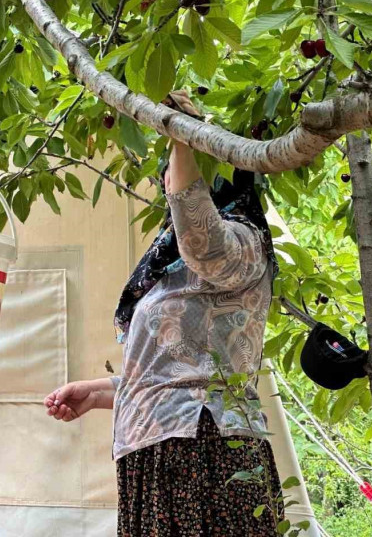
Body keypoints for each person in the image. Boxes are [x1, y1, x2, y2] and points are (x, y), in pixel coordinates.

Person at [45, 91, 283, 535]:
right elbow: (174, 370)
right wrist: (98, 393)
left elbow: (202, 238)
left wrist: (181, 135)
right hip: (164, 452)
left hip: (203, 453)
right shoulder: (172, 267)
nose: (168, 188)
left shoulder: (241, 244)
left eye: (175, 177)